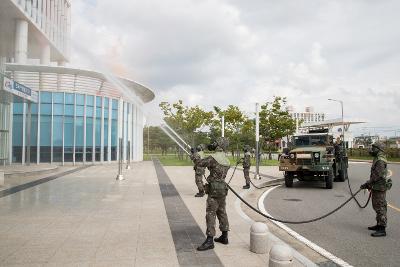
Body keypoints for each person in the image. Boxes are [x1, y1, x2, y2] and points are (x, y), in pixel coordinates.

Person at [191, 137, 231, 251]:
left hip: (213, 190)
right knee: (222, 212)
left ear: (218, 145)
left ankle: (209, 240)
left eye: (215, 143)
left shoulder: (213, 158)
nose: (212, 144)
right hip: (222, 189)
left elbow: (199, 163)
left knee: (211, 213)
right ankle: (224, 236)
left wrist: (195, 154)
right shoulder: (226, 160)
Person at [360, 142, 389, 237]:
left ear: (378, 149)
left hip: (379, 187)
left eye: (373, 148)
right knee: (377, 206)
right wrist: (370, 185)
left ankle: (382, 229)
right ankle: (378, 224)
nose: (372, 150)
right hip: (376, 186)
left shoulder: (380, 160)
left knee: (380, 207)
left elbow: (377, 175)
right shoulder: (377, 158)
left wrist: (367, 184)